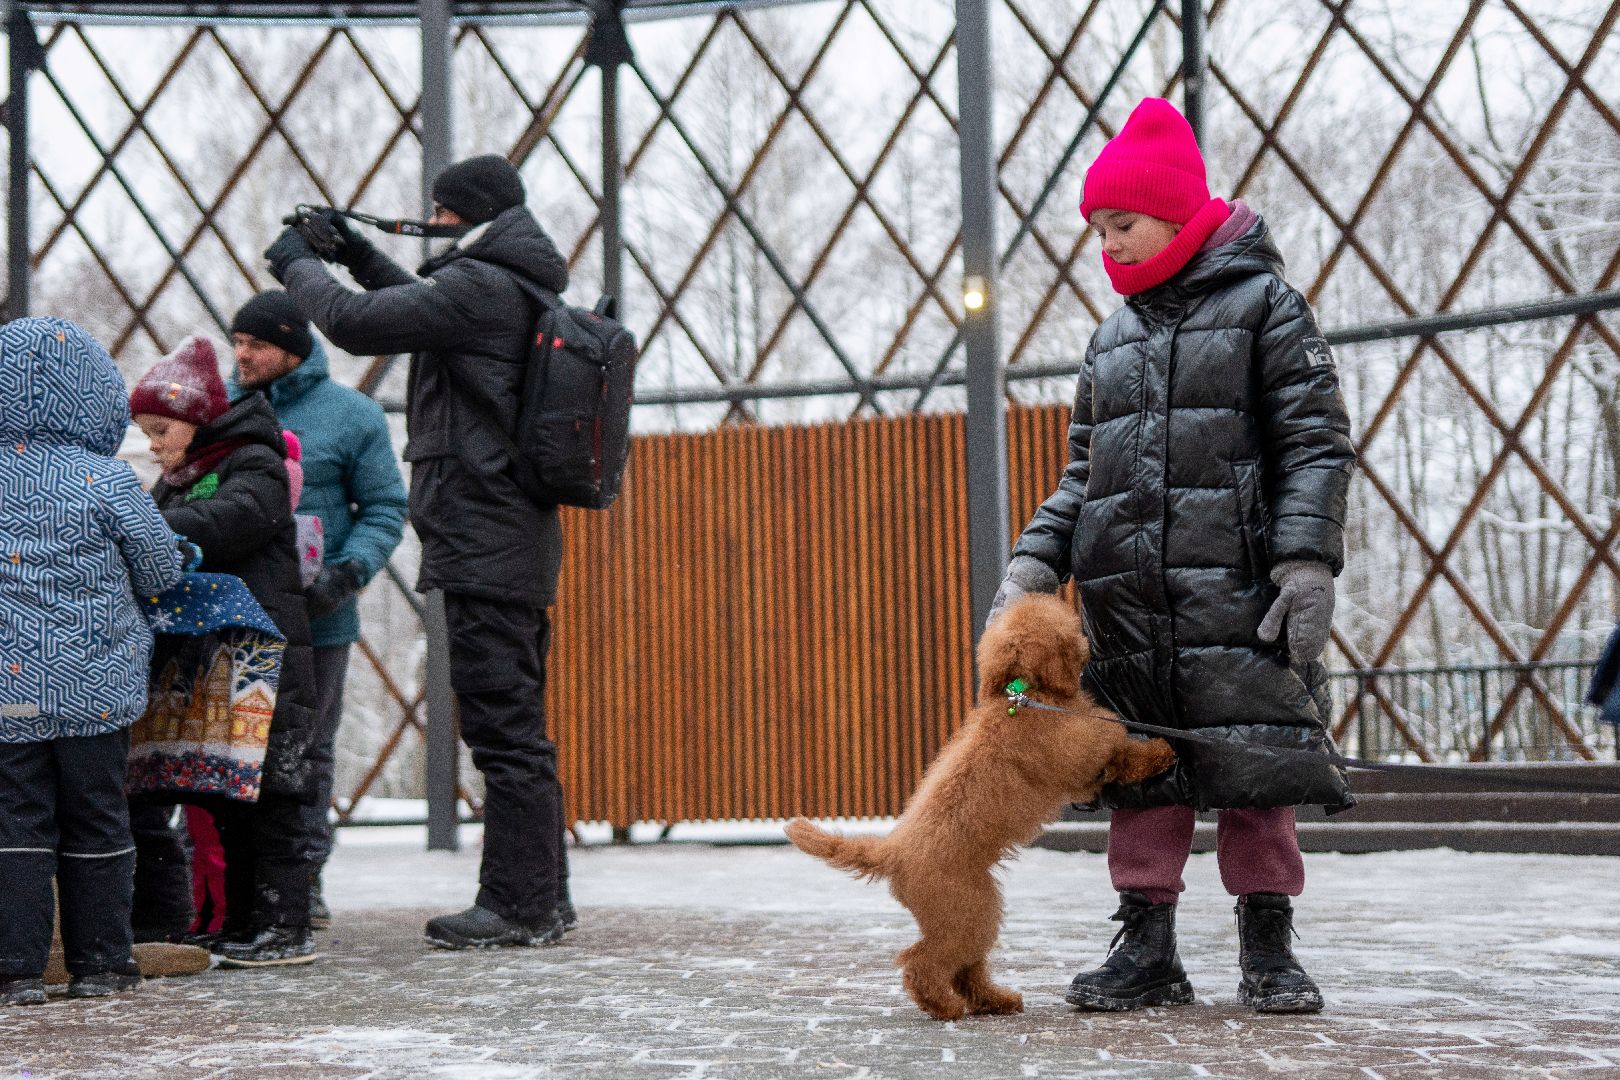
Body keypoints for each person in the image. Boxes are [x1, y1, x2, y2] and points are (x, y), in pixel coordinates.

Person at [989, 98, 1356, 1015]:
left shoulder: (1267, 307)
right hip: (1129, 606)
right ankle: (1147, 947)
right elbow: (1083, 477)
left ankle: (1269, 945)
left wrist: (1305, 560)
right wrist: (1032, 567)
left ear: (1175, 210)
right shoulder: (1110, 340)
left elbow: (1314, 445)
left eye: (1123, 223)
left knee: (1255, 771)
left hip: (1236, 594)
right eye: (1098, 230)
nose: (1108, 244)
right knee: (1141, 776)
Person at [266, 154, 575, 948]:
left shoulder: (481, 287)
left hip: (483, 533)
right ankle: (543, 896)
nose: (431, 223)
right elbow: (415, 306)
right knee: (517, 722)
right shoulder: (510, 283)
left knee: (502, 727)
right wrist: (354, 251)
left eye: (438, 212)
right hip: (509, 533)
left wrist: (299, 263)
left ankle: (520, 905)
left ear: (463, 214)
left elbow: (353, 323)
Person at [0, 317, 183, 1005]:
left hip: (8, 687)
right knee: (98, 816)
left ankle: (15, 969)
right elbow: (160, 569)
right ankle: (102, 963)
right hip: (94, 686)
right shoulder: (108, 481)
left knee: (15, 821)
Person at [130, 335, 321, 967]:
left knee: (273, 797)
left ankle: (284, 924)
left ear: (195, 418)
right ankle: (242, 919)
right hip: (215, 659)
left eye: (161, 430)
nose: (153, 445)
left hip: (262, 657)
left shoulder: (255, 462)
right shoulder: (179, 478)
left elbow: (233, 519)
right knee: (227, 797)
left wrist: (140, 527)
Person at [228, 290, 408, 927]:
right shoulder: (221, 410)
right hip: (234, 613)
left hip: (319, 616)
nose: (241, 355)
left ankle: (301, 881)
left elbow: (385, 507)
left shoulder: (352, 416)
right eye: (237, 342)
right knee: (226, 747)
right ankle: (232, 884)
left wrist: (348, 571)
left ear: (292, 349)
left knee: (308, 750)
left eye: (256, 344)